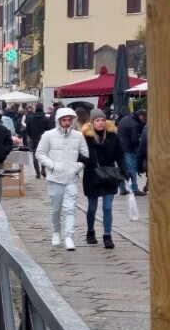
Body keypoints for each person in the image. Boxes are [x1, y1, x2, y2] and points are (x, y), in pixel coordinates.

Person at [36, 107, 89, 251]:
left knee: (70, 208)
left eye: (69, 120)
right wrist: (52, 165)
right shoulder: (48, 135)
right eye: (64, 120)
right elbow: (40, 153)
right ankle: (56, 232)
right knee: (55, 209)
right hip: (54, 178)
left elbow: (85, 155)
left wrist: (77, 167)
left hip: (71, 177)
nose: (67, 123)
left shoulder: (78, 136)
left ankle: (69, 236)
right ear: (58, 121)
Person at [82, 110, 129, 249]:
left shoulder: (113, 136)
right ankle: (90, 231)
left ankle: (107, 236)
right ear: (92, 122)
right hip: (92, 175)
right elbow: (79, 154)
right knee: (92, 207)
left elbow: (120, 155)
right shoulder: (85, 138)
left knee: (107, 207)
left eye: (102, 120)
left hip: (109, 174)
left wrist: (125, 170)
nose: (100, 123)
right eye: (97, 120)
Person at [116, 108, 147, 195]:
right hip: (128, 149)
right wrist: (138, 150)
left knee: (122, 168)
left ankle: (122, 188)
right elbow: (134, 141)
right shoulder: (135, 124)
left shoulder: (126, 118)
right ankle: (135, 189)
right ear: (141, 117)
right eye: (145, 119)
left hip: (119, 148)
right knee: (132, 168)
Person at [25, 104, 53, 179]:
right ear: (42, 108)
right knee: (44, 155)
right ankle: (43, 168)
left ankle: (37, 173)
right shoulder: (46, 118)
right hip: (44, 139)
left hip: (34, 139)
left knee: (35, 155)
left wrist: (31, 136)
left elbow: (27, 130)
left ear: (36, 109)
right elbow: (49, 129)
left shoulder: (30, 118)